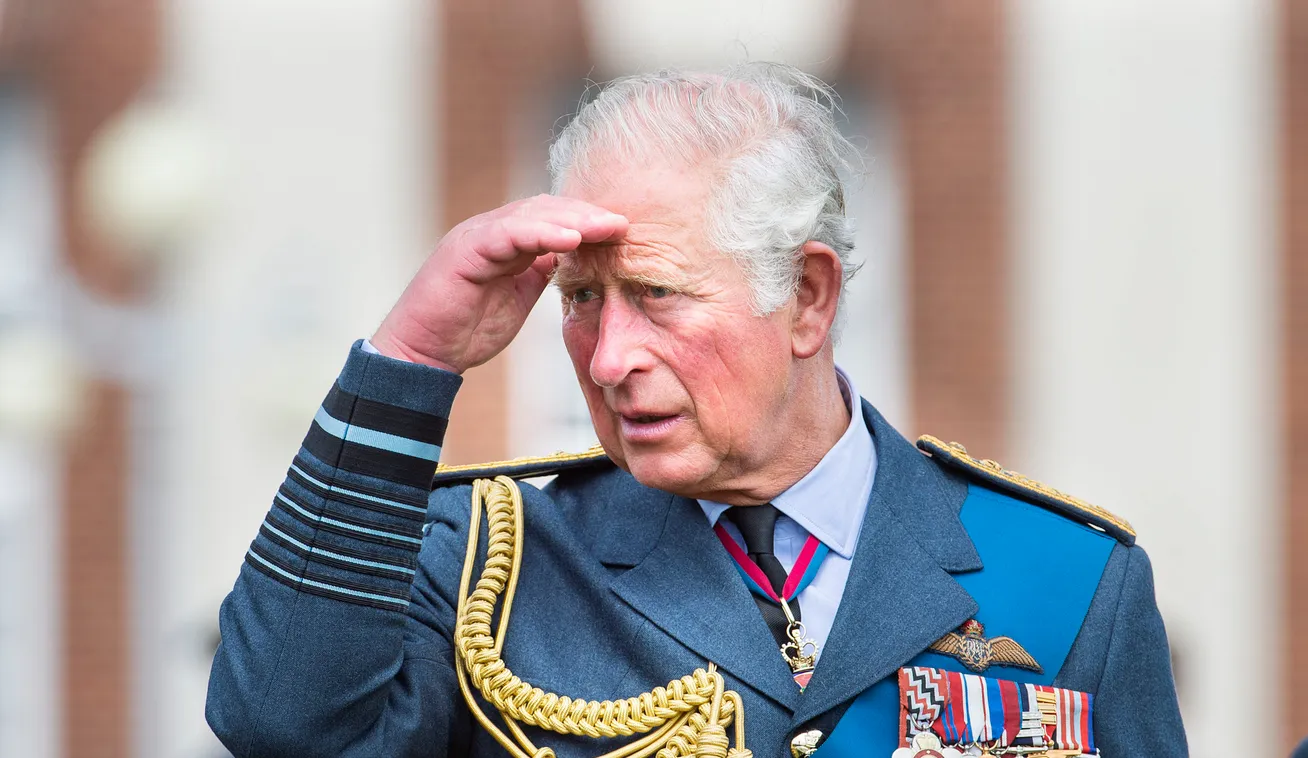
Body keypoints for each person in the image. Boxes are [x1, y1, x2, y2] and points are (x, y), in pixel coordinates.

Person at [205, 63, 1187, 757]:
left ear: (806, 297)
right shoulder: (487, 559)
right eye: (582, 298)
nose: (610, 354)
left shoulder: (1070, 575)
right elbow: (283, 722)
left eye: (658, 294)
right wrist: (409, 361)